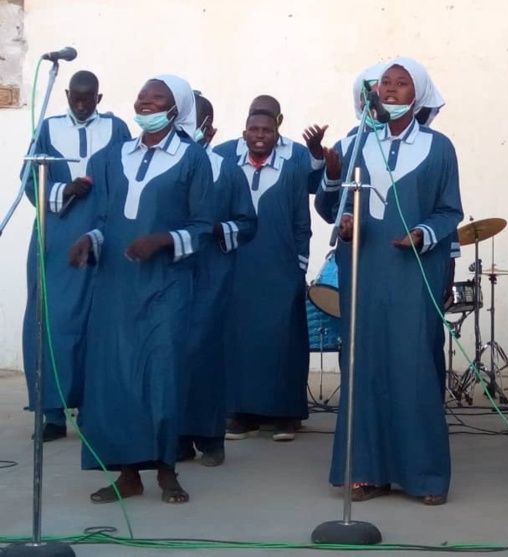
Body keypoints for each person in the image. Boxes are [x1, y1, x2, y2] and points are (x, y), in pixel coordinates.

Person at [315, 57, 462, 506]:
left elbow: (449, 211)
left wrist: (423, 233)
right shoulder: (356, 141)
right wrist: (338, 198)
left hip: (412, 271)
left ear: (418, 95)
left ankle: (424, 476)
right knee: (364, 366)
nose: (391, 89)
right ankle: (366, 471)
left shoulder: (439, 147)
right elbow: (331, 208)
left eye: (402, 83)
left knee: (412, 367)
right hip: (364, 269)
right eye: (385, 84)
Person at [69, 74, 214, 504]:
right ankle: (128, 474)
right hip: (117, 287)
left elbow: (203, 227)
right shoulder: (113, 157)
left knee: (162, 375)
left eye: (157, 97)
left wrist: (163, 239)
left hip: (166, 286)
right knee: (118, 377)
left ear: (175, 108)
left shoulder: (192, 159)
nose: (146, 102)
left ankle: (167, 471)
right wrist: (89, 240)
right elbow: (105, 221)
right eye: (141, 96)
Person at [21, 70, 130, 441]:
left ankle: (92, 410)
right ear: (66, 94)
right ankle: (52, 413)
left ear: (99, 98)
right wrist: (64, 190)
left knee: (97, 323)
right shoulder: (47, 128)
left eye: (88, 99)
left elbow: (127, 177)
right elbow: (29, 182)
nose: (81, 105)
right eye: (76, 98)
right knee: (52, 321)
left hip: (102, 233)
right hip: (57, 235)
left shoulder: (116, 129)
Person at [177, 93, 257, 466]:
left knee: (204, 353)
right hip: (169, 273)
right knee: (171, 355)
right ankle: (176, 437)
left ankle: (210, 437)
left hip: (211, 274)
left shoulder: (226, 170)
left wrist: (214, 230)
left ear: (209, 129)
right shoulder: (162, 165)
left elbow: (247, 223)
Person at [223, 107, 312, 442]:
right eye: (254, 130)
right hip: (239, 266)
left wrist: (299, 266)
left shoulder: (291, 170)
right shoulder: (229, 167)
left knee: (283, 340)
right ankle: (242, 414)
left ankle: (285, 415)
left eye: (267, 130)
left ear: (277, 135)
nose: (260, 135)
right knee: (239, 339)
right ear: (244, 133)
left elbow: (302, 223)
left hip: (281, 267)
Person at [212, 94, 326, 194]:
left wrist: (316, 153)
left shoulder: (297, 153)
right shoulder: (223, 152)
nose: (260, 118)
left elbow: (314, 187)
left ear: (280, 119)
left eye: (267, 115)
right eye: (254, 114)